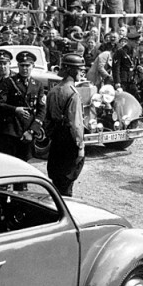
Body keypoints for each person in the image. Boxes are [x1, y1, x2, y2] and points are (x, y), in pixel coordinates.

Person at [0, 51, 46, 162]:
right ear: (18, 66)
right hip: (11, 132)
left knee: (25, 163)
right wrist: (15, 109)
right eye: (22, 65)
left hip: (28, 131)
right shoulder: (9, 82)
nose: (24, 68)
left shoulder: (38, 85)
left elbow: (41, 110)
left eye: (27, 65)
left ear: (33, 66)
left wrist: (32, 131)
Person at [46, 54, 86, 197]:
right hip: (69, 142)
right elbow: (76, 125)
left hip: (56, 141)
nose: (82, 73)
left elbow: (47, 120)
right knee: (67, 184)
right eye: (79, 69)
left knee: (57, 181)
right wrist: (80, 147)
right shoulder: (73, 94)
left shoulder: (53, 91)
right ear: (71, 70)